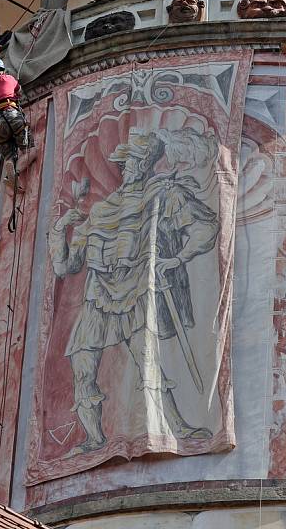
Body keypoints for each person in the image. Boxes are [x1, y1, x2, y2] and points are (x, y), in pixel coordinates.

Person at [49, 132, 220, 455]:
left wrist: (175, 259)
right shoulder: (100, 212)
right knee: (82, 366)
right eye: (124, 161)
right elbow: (66, 267)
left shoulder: (164, 194)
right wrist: (59, 230)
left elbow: (205, 227)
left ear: (144, 163)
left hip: (138, 289)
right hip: (99, 297)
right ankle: (93, 440)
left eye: (131, 161)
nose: (125, 167)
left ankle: (177, 429)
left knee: (149, 364)